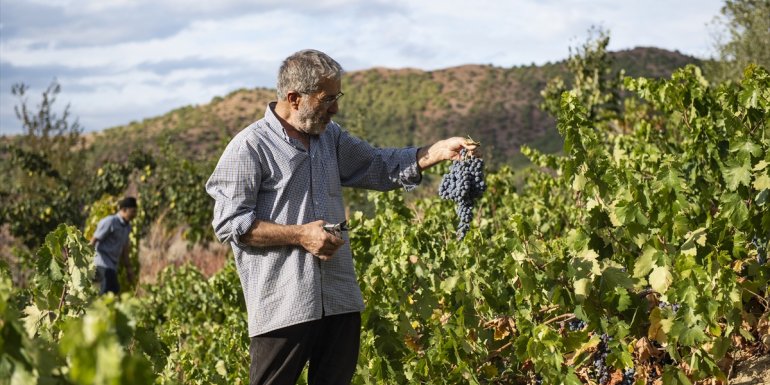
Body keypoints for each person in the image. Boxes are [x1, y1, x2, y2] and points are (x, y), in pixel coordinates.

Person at [205, 49, 478, 385]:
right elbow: (231, 223)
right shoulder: (249, 147)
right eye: (327, 99)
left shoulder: (329, 137)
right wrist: (300, 235)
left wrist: (433, 153)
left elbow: (376, 165)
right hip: (284, 304)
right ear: (294, 98)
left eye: (337, 97)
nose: (335, 108)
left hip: (338, 297)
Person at [90, 196, 137, 295]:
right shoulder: (110, 221)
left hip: (112, 267)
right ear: (124, 210)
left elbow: (125, 249)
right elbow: (94, 240)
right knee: (106, 295)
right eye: (132, 211)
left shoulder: (127, 227)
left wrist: (129, 269)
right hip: (101, 264)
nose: (134, 215)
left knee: (113, 293)